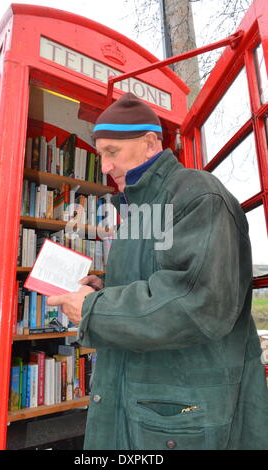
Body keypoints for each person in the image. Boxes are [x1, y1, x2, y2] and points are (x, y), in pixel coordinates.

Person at [47, 92, 268, 450]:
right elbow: (154, 281)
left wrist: (94, 308)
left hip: (180, 413)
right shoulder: (139, 209)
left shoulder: (196, 194)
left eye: (112, 152)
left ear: (151, 144)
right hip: (145, 397)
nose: (104, 167)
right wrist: (101, 289)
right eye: (100, 153)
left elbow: (198, 301)